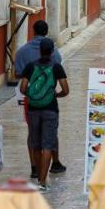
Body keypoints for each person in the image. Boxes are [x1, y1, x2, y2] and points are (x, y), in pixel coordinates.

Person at [13, 21, 66, 175]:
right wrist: (56, 93)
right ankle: (54, 163)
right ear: (47, 31)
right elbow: (59, 71)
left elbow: (18, 75)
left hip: (31, 100)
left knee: (33, 133)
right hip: (49, 99)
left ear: (33, 30)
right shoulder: (55, 53)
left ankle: (34, 167)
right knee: (51, 133)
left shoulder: (22, 51)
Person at [18, 38, 69, 191]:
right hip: (50, 109)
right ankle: (42, 181)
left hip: (33, 110)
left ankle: (38, 175)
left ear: (40, 50)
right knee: (48, 145)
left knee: (36, 145)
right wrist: (55, 95)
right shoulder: (57, 67)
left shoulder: (30, 67)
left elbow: (22, 88)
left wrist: (33, 95)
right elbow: (66, 90)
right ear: (52, 51)